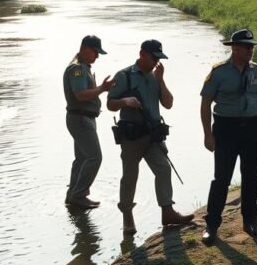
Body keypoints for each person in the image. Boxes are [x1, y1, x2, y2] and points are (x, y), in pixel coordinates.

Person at [200, 29, 257, 246]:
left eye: (252, 46)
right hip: (226, 129)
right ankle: (212, 225)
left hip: (253, 128)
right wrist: (207, 134)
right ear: (234, 48)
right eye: (247, 46)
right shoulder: (218, 73)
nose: (251, 50)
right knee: (222, 178)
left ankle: (250, 221)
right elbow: (205, 102)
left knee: (251, 177)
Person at [107, 40, 194, 234]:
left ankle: (168, 212)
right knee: (130, 177)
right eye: (154, 58)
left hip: (153, 135)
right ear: (142, 54)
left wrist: (161, 80)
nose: (156, 62)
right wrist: (124, 101)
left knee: (163, 169)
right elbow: (110, 104)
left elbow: (168, 103)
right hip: (131, 136)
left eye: (159, 59)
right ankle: (127, 217)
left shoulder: (156, 77)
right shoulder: (123, 76)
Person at [63, 35, 115, 209]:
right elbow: (80, 94)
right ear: (84, 48)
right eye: (95, 51)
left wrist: (100, 88)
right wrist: (102, 88)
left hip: (82, 118)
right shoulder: (77, 69)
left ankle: (73, 195)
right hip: (80, 119)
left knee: (82, 158)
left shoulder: (82, 67)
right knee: (94, 157)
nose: (97, 56)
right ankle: (78, 195)